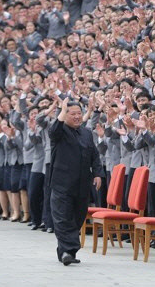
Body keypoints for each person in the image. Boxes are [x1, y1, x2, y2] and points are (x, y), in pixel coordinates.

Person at [48, 98, 103, 265]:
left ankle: (67, 251)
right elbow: (53, 131)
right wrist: (62, 110)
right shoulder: (59, 131)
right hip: (61, 184)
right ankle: (67, 251)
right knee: (62, 217)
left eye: (79, 113)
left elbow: (94, 155)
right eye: (73, 114)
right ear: (65, 115)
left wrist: (98, 173)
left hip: (82, 184)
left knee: (77, 218)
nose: (77, 117)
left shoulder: (86, 133)